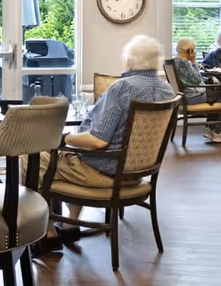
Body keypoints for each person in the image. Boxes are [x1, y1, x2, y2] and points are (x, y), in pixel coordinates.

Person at [59, 34, 176, 183]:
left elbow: (98, 142)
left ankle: (46, 204)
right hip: (140, 170)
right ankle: (74, 200)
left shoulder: (123, 87)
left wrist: (63, 138)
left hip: (107, 167)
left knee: (34, 160)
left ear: (130, 60)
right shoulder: (168, 90)